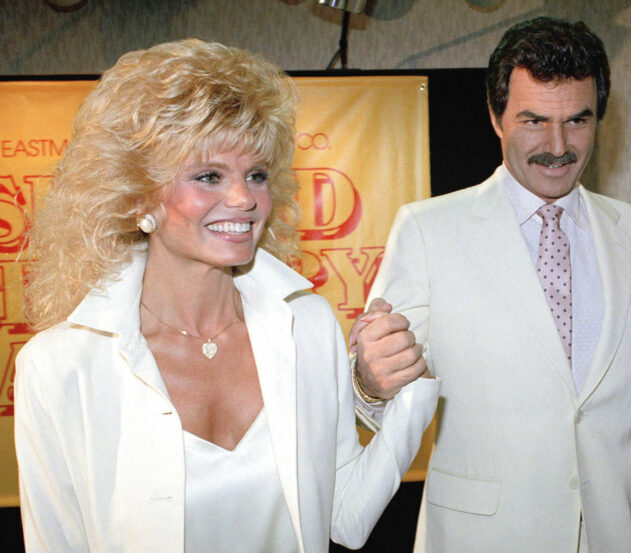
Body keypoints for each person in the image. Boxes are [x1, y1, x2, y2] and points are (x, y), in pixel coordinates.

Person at [13, 39, 439, 553]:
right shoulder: (61, 367)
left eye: (256, 175)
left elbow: (344, 516)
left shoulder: (305, 323)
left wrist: (408, 391)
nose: (243, 199)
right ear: (135, 196)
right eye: (209, 176)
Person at [351, 16, 631, 553]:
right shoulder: (427, 228)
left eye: (578, 121)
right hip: (484, 538)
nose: (558, 146)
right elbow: (380, 400)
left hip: (614, 535)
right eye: (534, 121)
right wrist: (371, 380)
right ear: (496, 117)